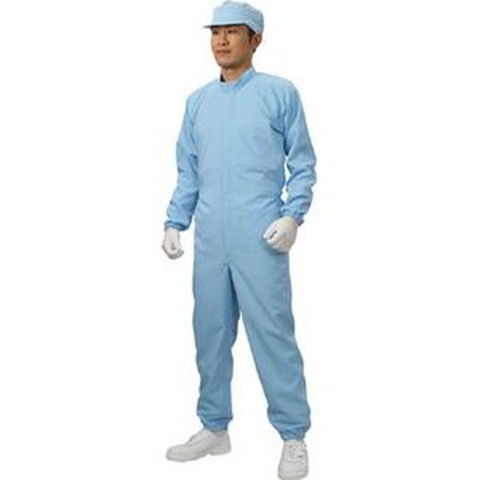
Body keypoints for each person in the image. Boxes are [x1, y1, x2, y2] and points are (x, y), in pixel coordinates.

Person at [162, 2, 317, 479]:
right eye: (216, 33)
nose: (222, 41)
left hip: (260, 237)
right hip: (212, 240)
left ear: (256, 40)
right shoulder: (198, 102)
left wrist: (292, 216)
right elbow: (188, 169)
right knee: (209, 334)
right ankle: (215, 427)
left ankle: (293, 435)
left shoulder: (279, 93)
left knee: (272, 336)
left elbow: (303, 163)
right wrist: (175, 221)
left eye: (233, 32)